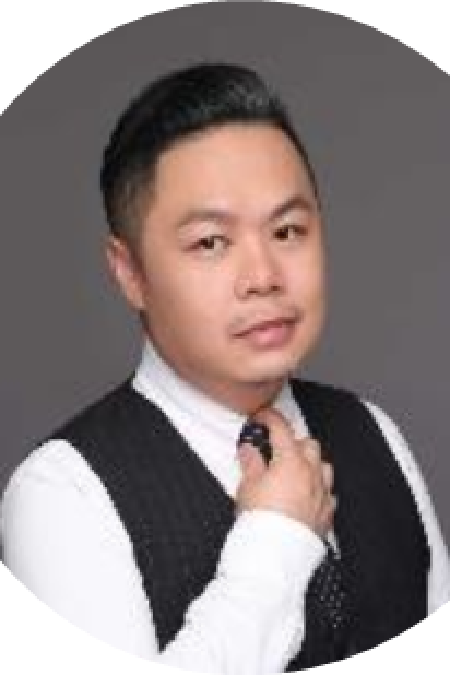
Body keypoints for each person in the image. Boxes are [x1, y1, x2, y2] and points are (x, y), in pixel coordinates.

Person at [1, 62, 449, 673]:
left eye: (288, 230)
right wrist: (276, 540)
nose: (263, 276)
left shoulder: (375, 434)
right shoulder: (62, 494)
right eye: (211, 242)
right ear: (129, 273)